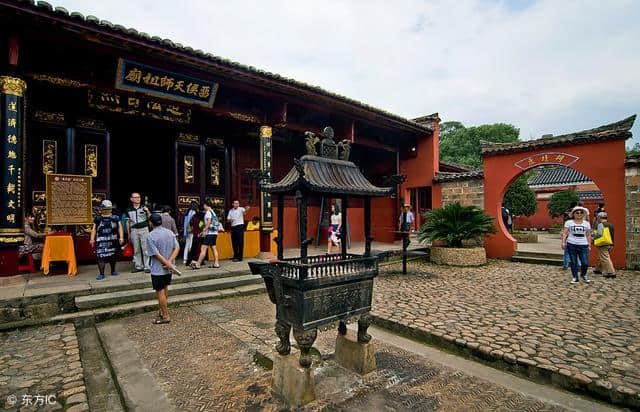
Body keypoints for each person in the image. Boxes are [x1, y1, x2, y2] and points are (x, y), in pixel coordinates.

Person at [146, 213, 180, 324]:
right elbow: (177, 247)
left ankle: (165, 315)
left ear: (151, 223)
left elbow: (155, 253)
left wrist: (166, 262)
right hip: (168, 268)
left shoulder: (151, 235)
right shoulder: (169, 233)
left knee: (160, 291)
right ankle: (162, 310)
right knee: (165, 288)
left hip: (158, 268)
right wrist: (170, 262)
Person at [90, 200, 124, 280]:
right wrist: (92, 239)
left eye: (108, 209)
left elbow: (120, 227)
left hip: (113, 239)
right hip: (101, 240)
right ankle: (101, 273)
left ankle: (113, 270)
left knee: (112, 255)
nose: (106, 210)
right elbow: (94, 229)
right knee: (100, 256)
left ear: (111, 209)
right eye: (104, 209)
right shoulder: (98, 218)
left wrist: (121, 237)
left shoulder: (115, 217)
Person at [562, 206, 592, 284]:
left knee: (585, 262)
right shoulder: (569, 223)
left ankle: (583, 274)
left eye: (581, 213)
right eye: (577, 212)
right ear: (573, 214)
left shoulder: (586, 223)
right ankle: (575, 277)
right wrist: (563, 242)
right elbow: (565, 233)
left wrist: (589, 244)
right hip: (571, 244)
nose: (579, 214)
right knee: (573, 262)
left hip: (583, 244)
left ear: (583, 214)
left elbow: (588, 235)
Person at [191, 198, 224, 269]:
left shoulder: (208, 213)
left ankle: (198, 264)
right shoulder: (213, 212)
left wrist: (203, 231)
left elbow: (208, 222)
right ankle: (216, 263)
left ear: (206, 205)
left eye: (204, 205)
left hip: (210, 234)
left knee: (203, 248)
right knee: (213, 248)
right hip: (215, 233)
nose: (203, 207)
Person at [125, 192, 151, 273]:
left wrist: (148, 211)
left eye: (139, 197)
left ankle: (147, 266)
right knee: (136, 249)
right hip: (134, 230)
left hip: (144, 229)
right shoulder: (128, 209)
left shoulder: (144, 207)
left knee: (145, 248)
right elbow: (127, 222)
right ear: (131, 199)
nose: (138, 199)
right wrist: (129, 233)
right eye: (135, 197)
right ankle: (138, 266)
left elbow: (150, 218)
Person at [593, 212, 615, 278]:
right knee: (601, 256)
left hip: (603, 243)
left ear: (599, 217)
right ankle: (598, 269)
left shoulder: (600, 225)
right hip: (610, 243)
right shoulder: (611, 225)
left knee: (605, 258)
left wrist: (593, 237)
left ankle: (611, 272)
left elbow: (599, 234)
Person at [182, 201, 198, 265]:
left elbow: (185, 224)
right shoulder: (194, 213)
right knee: (191, 245)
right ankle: (190, 258)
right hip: (192, 230)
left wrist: (185, 233)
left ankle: (184, 259)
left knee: (187, 245)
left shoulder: (187, 213)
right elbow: (196, 223)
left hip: (188, 231)